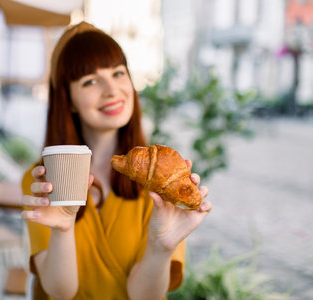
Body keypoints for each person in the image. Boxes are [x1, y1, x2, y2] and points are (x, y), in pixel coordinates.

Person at [21, 21, 212, 300]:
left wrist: (161, 247)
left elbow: (142, 296)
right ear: (69, 100)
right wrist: (63, 228)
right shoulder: (42, 182)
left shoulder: (162, 180)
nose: (112, 89)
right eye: (90, 80)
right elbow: (61, 292)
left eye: (118, 73)